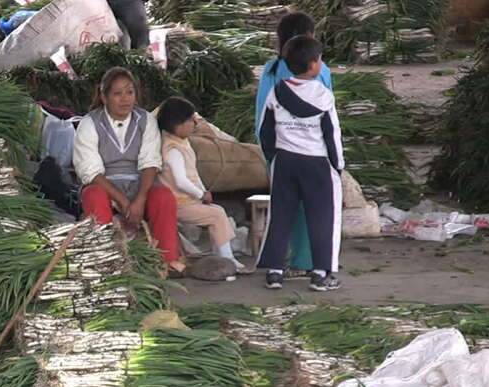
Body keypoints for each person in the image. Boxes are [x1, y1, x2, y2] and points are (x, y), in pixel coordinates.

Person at [72, 67, 183, 276]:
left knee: (163, 196)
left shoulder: (146, 120)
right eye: (117, 93)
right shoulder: (90, 123)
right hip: (104, 185)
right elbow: (90, 171)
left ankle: (167, 262)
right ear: (104, 97)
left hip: (140, 184)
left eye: (129, 92)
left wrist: (140, 199)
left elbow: (150, 162)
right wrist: (123, 202)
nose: (125, 99)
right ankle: (105, 260)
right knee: (93, 195)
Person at [258, 36, 343, 292]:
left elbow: (265, 131)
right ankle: (320, 273)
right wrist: (338, 166)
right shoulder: (323, 96)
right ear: (315, 64)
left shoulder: (277, 91)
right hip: (316, 165)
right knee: (322, 217)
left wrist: (273, 157)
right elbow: (332, 135)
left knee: (281, 215)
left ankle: (274, 271)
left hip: (285, 161)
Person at [156, 97, 250, 277]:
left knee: (217, 213)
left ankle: (222, 257)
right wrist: (200, 194)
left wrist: (203, 192)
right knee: (217, 215)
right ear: (178, 123)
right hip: (178, 204)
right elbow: (181, 181)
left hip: (189, 201)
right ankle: (229, 260)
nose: (194, 124)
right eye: (191, 120)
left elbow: (193, 174)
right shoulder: (172, 149)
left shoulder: (183, 143)